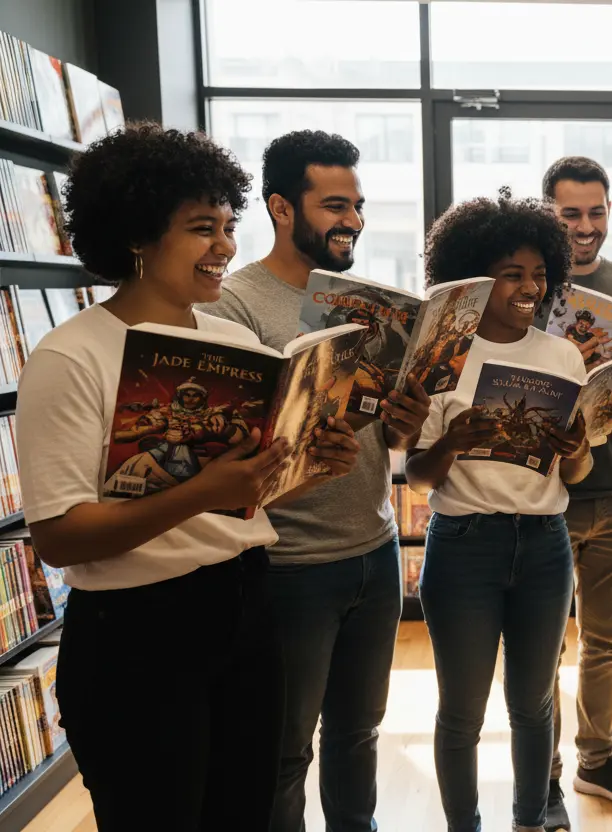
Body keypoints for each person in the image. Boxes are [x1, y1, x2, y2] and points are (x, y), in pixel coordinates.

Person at [16, 123, 358, 831]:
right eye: (203, 229)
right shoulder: (70, 355)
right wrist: (202, 493)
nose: (225, 247)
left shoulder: (233, 342)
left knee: (245, 813)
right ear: (137, 236)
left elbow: (246, 498)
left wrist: (312, 465)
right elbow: (58, 535)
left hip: (245, 604)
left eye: (228, 227)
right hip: (136, 633)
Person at [200, 130, 431, 832]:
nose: (352, 220)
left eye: (357, 205)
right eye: (335, 205)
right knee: (283, 750)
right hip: (288, 565)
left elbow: (388, 440)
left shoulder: (366, 305)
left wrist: (406, 421)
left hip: (374, 549)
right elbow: (230, 457)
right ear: (280, 208)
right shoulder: (233, 305)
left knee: (359, 735)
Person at [406, 191, 593, 832]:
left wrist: (576, 448)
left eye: (539, 274)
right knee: (462, 711)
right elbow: (417, 476)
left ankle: (529, 822)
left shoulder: (563, 356)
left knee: (534, 705)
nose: (530, 288)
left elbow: (575, 474)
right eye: (512, 274)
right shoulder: (443, 358)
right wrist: (452, 444)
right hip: (464, 544)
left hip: (545, 544)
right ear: (474, 278)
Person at [540, 156, 612, 831]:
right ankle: (544, 776)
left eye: (596, 212)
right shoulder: (525, 284)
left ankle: (598, 761)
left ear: (610, 211)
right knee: (543, 647)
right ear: (549, 214)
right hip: (542, 495)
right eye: (570, 214)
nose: (585, 227)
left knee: (606, 639)